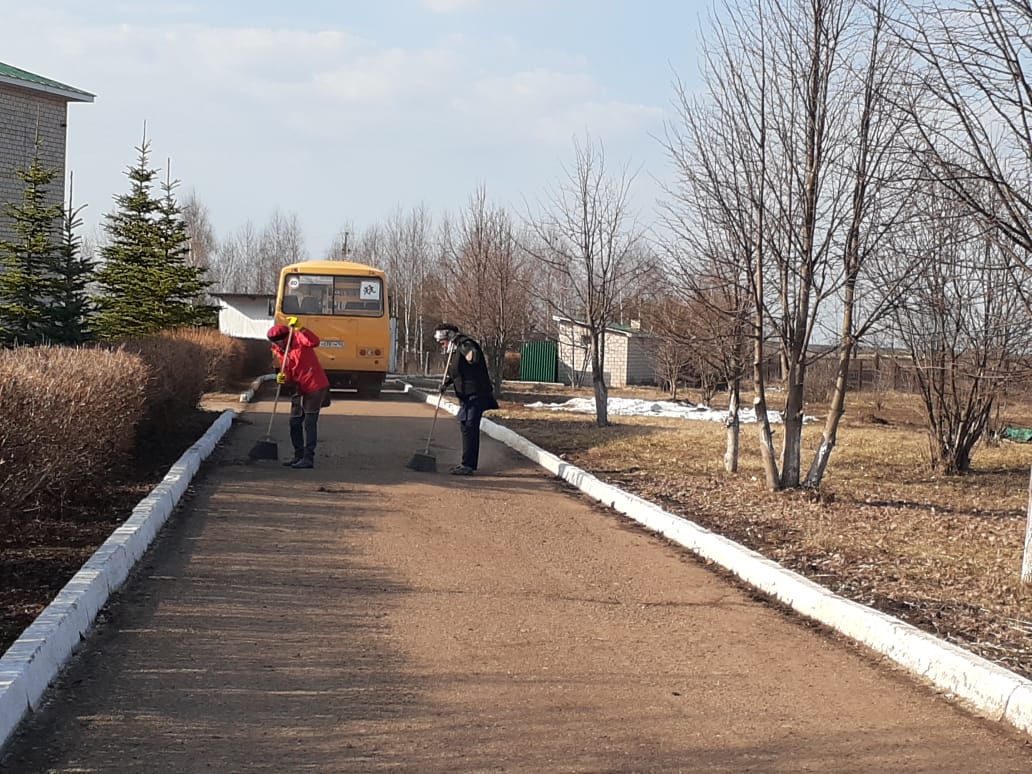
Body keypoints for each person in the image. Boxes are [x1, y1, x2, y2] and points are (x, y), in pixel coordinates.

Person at [434, 322, 500, 476]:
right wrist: (445, 384)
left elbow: (473, 357)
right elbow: (454, 372)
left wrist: (469, 353)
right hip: (465, 396)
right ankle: (466, 463)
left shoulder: (465, 344)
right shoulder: (453, 351)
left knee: (470, 425)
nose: (442, 345)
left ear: (449, 336)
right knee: (465, 425)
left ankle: (468, 465)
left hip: (477, 394)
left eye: (442, 342)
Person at [267, 316, 330, 469]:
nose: (277, 344)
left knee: (309, 423)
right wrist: (283, 377)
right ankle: (298, 455)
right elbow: (287, 371)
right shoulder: (280, 351)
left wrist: (301, 328)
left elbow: (315, 341)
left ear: (285, 338)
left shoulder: (299, 339)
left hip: (315, 385)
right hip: (300, 388)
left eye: (279, 341)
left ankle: (308, 458)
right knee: (294, 422)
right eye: (274, 342)